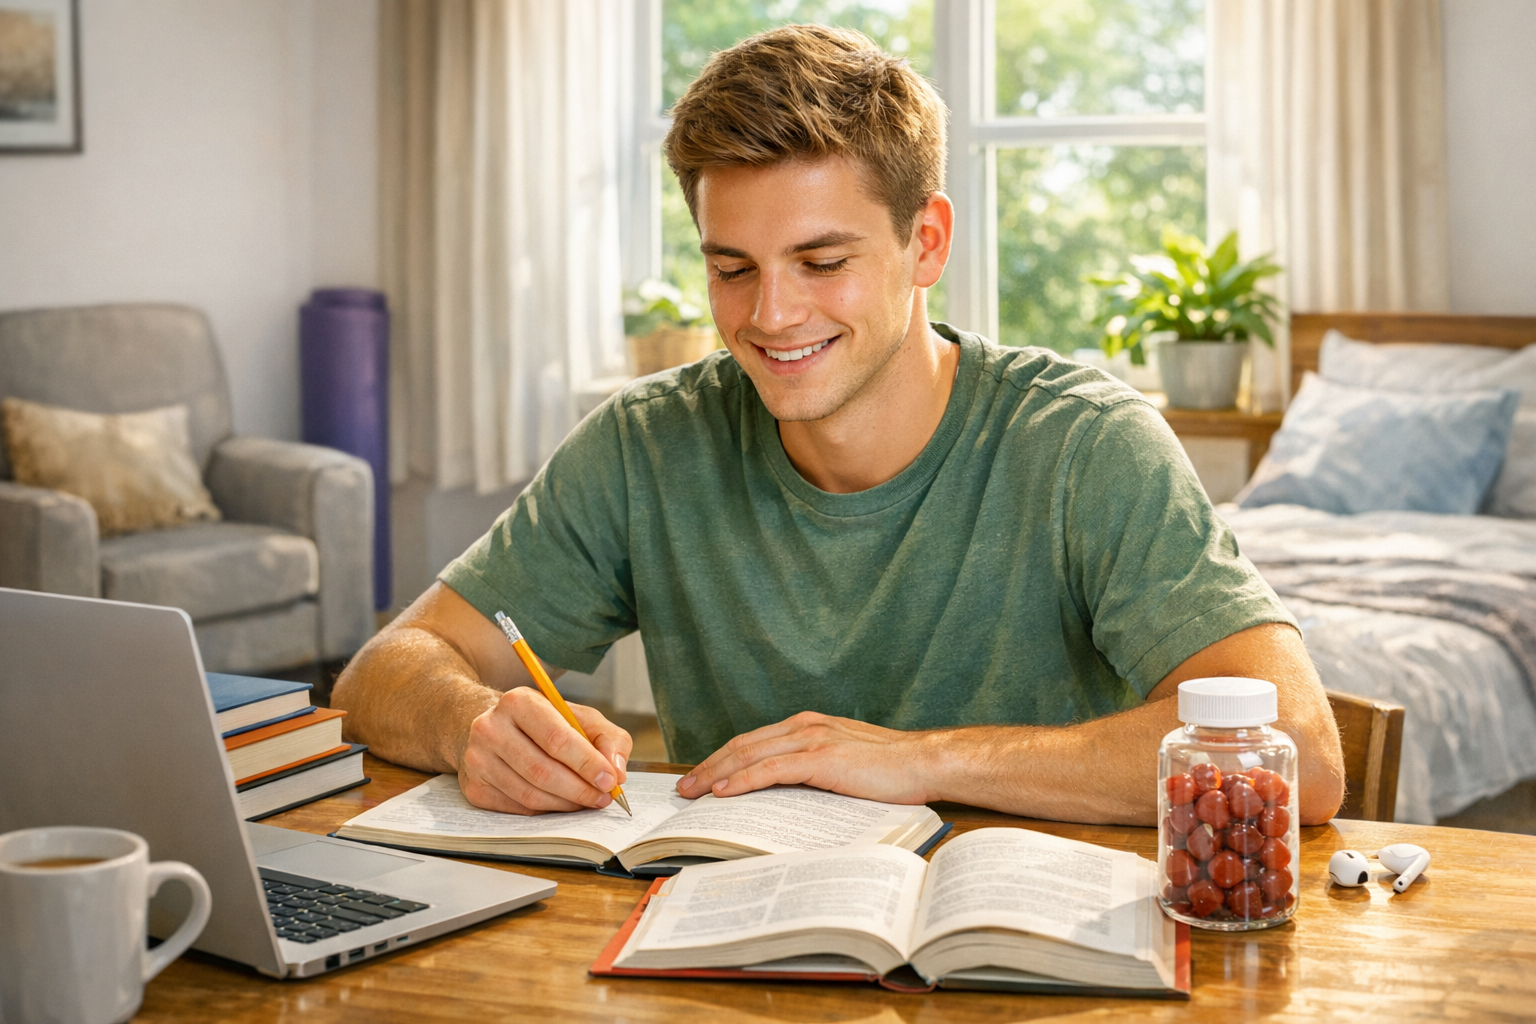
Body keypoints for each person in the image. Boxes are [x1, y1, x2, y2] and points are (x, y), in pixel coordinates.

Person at [332, 24, 1344, 827]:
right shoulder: (648, 443)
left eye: (822, 263)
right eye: (733, 267)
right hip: (736, 949)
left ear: (926, 242)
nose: (770, 315)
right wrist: (475, 724)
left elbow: (1301, 748)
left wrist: (912, 760)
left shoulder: (1085, 445)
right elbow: (381, 671)